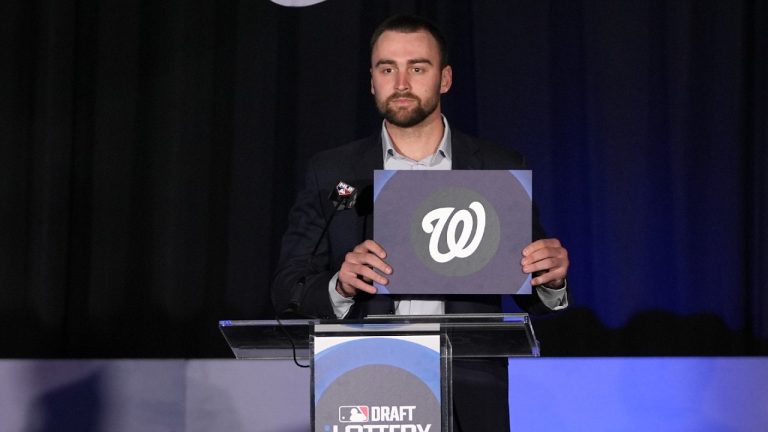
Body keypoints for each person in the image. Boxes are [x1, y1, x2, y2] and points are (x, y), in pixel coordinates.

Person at [272, 14, 570, 432]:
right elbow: (288, 286)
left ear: (444, 79)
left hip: (468, 393)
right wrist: (339, 285)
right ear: (372, 81)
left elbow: (530, 291)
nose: (401, 82)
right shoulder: (331, 172)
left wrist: (550, 280)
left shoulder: (497, 168)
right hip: (361, 390)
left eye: (418, 67)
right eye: (387, 68)